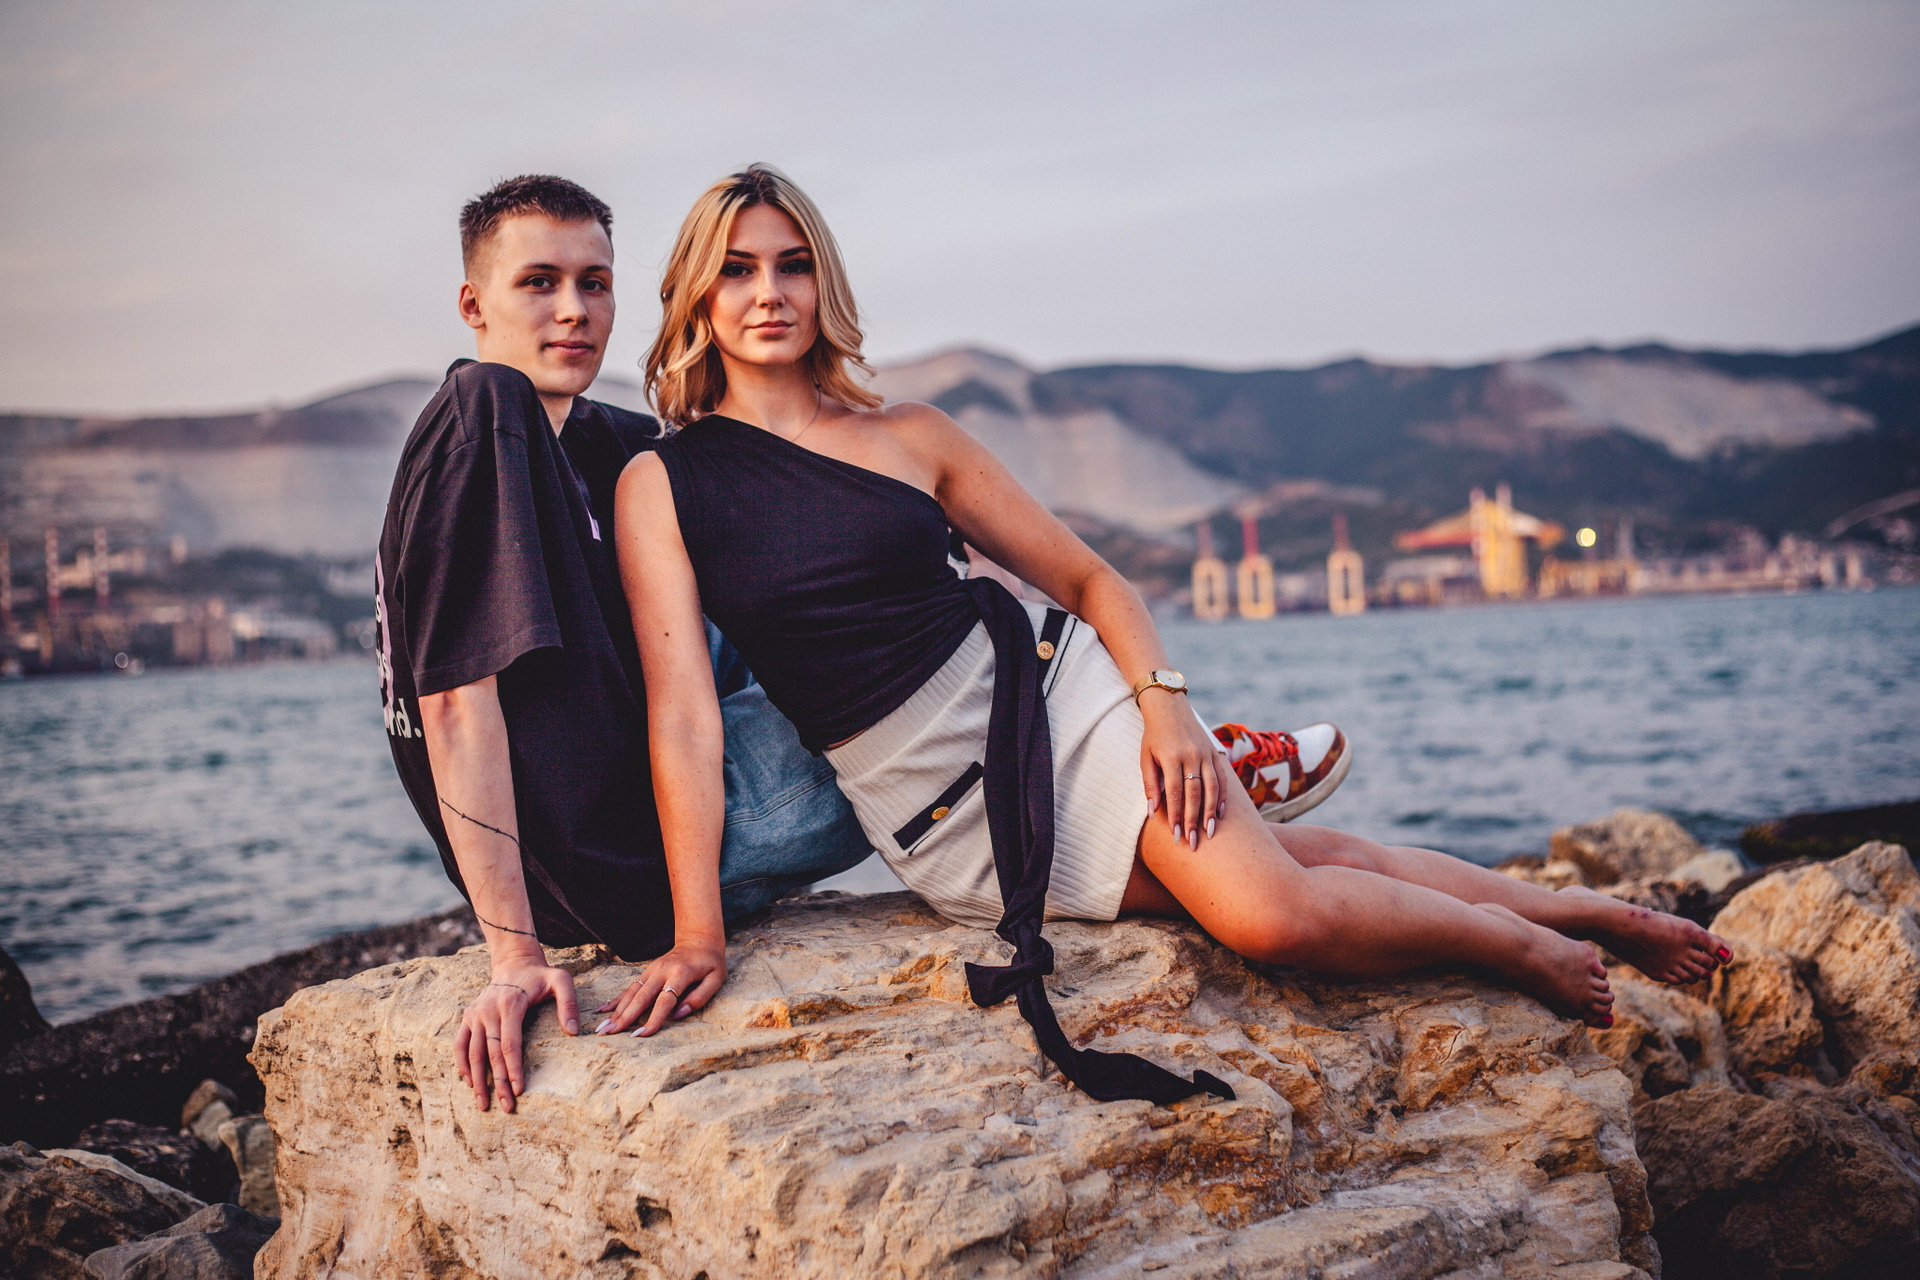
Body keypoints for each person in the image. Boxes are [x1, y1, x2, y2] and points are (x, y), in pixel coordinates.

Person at [600, 165, 1732, 1103]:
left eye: (792, 263)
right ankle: (1582, 907)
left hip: (1051, 700)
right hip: (937, 814)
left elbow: (1092, 579)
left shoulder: (911, 434)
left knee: (1271, 916)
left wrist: (1167, 711)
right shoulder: (665, 482)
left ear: (824, 282)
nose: (769, 292)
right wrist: (699, 933)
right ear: (697, 293)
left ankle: (1526, 945)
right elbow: (685, 715)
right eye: (737, 268)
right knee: (1310, 863)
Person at [375, 175, 873, 1115]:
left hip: (640, 792)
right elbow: (452, 703)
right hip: (622, 861)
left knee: (795, 555)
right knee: (942, 674)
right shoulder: (484, 409)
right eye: (539, 283)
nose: (574, 310)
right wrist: (514, 957)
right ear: (473, 306)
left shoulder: (603, 442)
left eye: (595, 283)